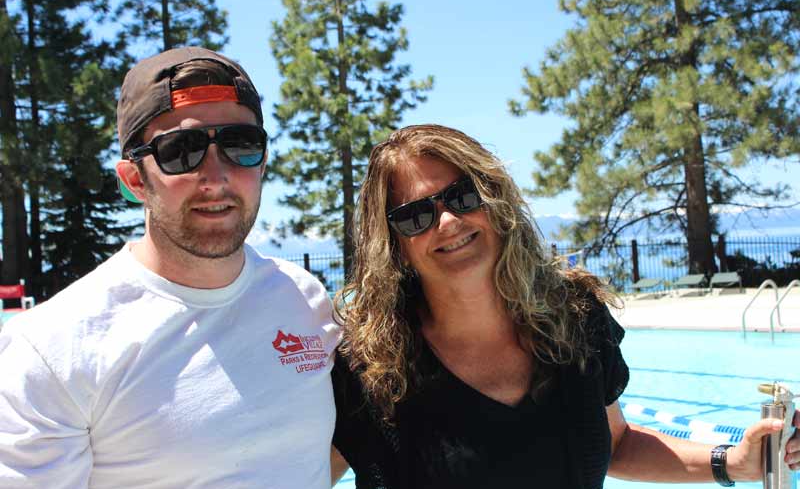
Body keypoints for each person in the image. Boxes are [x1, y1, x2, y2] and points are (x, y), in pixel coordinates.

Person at [330, 124, 799, 488]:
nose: (449, 221)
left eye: (462, 195)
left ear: (495, 199)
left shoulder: (575, 319)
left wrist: (732, 461)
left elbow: (619, 443)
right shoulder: (370, 370)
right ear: (393, 244)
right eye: (416, 215)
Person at [0, 47, 339, 488]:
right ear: (134, 179)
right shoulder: (54, 349)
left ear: (263, 161)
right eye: (181, 151)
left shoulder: (303, 298)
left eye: (241, 145)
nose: (217, 177)